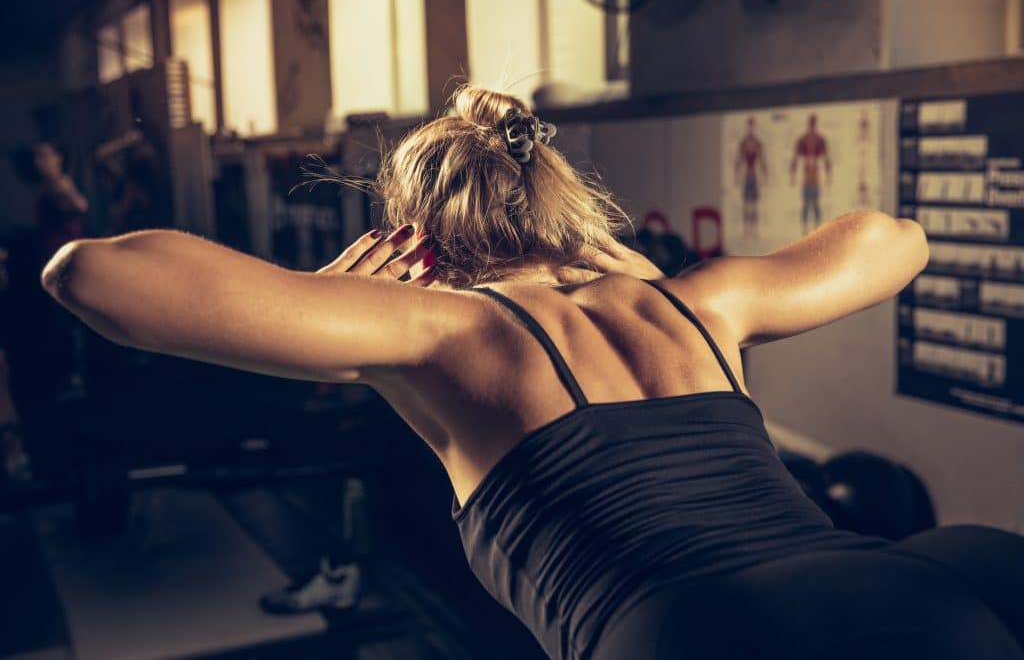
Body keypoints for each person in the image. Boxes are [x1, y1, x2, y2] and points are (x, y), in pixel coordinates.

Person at [39, 85, 1024, 660]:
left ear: (415, 232)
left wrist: (319, 293)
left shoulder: (436, 324)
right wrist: (652, 279)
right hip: (933, 583)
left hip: (696, 628)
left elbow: (87, 273)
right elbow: (895, 238)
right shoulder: (701, 302)